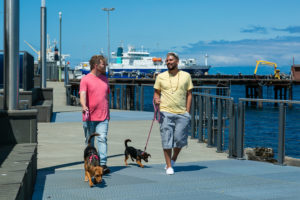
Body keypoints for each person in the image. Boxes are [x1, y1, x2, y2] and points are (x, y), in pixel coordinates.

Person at [153, 52, 193, 175]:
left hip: (182, 113)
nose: (168, 62)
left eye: (171, 60)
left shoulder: (186, 76)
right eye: (167, 60)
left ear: (177, 61)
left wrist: (187, 112)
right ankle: (169, 166)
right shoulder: (160, 76)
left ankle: (173, 159)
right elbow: (156, 93)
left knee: (180, 140)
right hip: (165, 112)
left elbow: (189, 94)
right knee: (166, 140)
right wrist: (156, 99)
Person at [80, 55, 110, 174]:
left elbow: (106, 97)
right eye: (103, 64)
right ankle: (90, 165)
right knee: (90, 142)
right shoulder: (85, 79)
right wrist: (83, 106)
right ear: (96, 65)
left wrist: (108, 113)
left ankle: (103, 164)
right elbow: (82, 95)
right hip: (90, 117)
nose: (105, 66)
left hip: (103, 116)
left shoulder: (105, 79)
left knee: (102, 139)